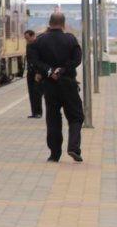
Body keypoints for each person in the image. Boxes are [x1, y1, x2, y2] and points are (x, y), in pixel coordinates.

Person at [31, 12, 84, 163]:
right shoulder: (70, 39)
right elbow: (77, 59)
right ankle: (73, 147)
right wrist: (62, 70)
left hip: (50, 86)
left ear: (49, 23)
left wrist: (49, 71)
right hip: (68, 84)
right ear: (63, 24)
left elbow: (34, 60)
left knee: (53, 118)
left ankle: (54, 154)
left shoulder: (40, 40)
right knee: (76, 116)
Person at [24, 29, 43, 118]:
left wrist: (39, 72)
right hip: (30, 72)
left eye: (28, 38)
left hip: (37, 72)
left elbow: (40, 60)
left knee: (37, 93)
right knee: (31, 92)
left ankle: (38, 112)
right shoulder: (28, 45)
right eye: (25, 38)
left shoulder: (38, 45)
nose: (26, 40)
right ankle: (34, 112)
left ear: (32, 36)